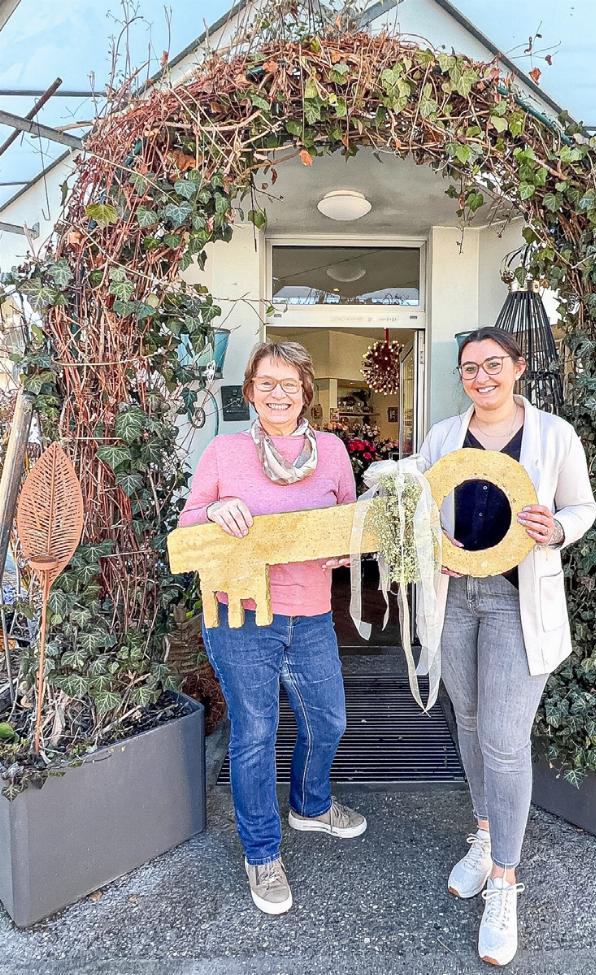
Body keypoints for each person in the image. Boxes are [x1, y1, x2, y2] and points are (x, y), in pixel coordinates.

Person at [419, 326, 596, 967]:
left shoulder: (554, 434)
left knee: (503, 737)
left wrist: (559, 527)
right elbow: (416, 506)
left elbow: (582, 507)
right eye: (470, 368)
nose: (482, 377)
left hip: (516, 601)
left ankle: (505, 882)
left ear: (518, 368)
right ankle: (485, 833)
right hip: (454, 597)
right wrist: (424, 550)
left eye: (494, 365)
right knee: (467, 723)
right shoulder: (442, 436)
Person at [178, 340, 366, 917]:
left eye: (289, 384)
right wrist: (211, 513)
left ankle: (310, 805)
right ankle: (261, 853)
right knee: (255, 735)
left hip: (310, 613)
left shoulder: (332, 451)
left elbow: (347, 525)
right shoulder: (224, 452)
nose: (277, 394)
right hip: (242, 616)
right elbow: (187, 527)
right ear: (250, 392)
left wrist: (342, 553)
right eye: (266, 384)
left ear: (306, 391)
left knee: (328, 718)